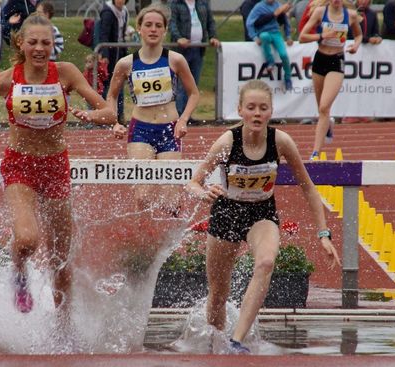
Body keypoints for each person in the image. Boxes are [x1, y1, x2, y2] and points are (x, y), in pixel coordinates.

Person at [0, 14, 117, 313]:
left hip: (56, 166)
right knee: (27, 239)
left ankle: (63, 327)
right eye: (32, 42)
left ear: (53, 45)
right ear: (21, 42)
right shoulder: (9, 78)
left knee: (61, 260)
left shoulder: (66, 73)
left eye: (46, 42)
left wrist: (90, 115)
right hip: (20, 166)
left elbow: (109, 112)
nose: (39, 48)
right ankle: (19, 271)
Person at [186, 79, 341, 354]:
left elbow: (308, 188)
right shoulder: (227, 141)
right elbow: (193, 182)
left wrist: (323, 234)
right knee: (218, 297)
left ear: (270, 112)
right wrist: (202, 192)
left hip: (262, 212)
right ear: (241, 111)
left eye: (263, 108)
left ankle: (237, 340)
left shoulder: (280, 141)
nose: (257, 114)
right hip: (226, 212)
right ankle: (215, 345)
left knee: (266, 261)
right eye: (251, 108)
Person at [109, 3, 199, 212]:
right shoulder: (126, 63)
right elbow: (112, 96)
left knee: (172, 198)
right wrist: (114, 122)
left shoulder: (175, 60)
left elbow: (194, 93)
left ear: (165, 30)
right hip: (140, 130)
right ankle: (145, 240)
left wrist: (184, 119)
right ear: (139, 28)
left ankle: (169, 241)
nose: (153, 29)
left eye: (158, 25)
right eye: (148, 25)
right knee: (142, 195)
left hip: (170, 130)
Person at [299, 0, 362, 160]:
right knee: (321, 108)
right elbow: (302, 37)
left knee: (324, 107)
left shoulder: (351, 15)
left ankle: (315, 153)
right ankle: (328, 124)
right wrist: (322, 35)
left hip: (337, 61)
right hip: (320, 60)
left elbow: (359, 34)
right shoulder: (320, 12)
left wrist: (356, 45)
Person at [169, 0, 219, 122]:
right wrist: (178, 37)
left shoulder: (202, 3)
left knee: (192, 84)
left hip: (198, 49)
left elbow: (210, 22)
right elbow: (172, 23)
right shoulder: (176, 3)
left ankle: (187, 115)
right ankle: (179, 115)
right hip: (182, 50)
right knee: (181, 85)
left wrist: (213, 36)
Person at [342, 0, 382, 124]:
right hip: (351, 53)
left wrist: (377, 37)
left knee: (365, 86)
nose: (364, 1)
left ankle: (363, 112)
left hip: (367, 56)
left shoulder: (372, 14)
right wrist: (367, 39)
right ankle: (347, 113)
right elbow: (349, 34)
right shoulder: (350, 13)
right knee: (349, 85)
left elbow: (376, 31)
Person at [246, 0, 294, 90]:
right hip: (263, 32)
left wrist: (288, 36)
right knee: (264, 36)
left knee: (283, 54)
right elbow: (249, 22)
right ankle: (270, 61)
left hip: (276, 33)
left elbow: (286, 21)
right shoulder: (259, 7)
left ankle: (288, 78)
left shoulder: (278, 5)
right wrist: (254, 37)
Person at [99, 0, 130, 124]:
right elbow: (104, 34)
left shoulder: (125, 11)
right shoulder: (107, 12)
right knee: (109, 85)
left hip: (120, 52)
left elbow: (123, 31)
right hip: (110, 53)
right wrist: (105, 53)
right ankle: (106, 115)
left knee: (120, 83)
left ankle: (119, 114)